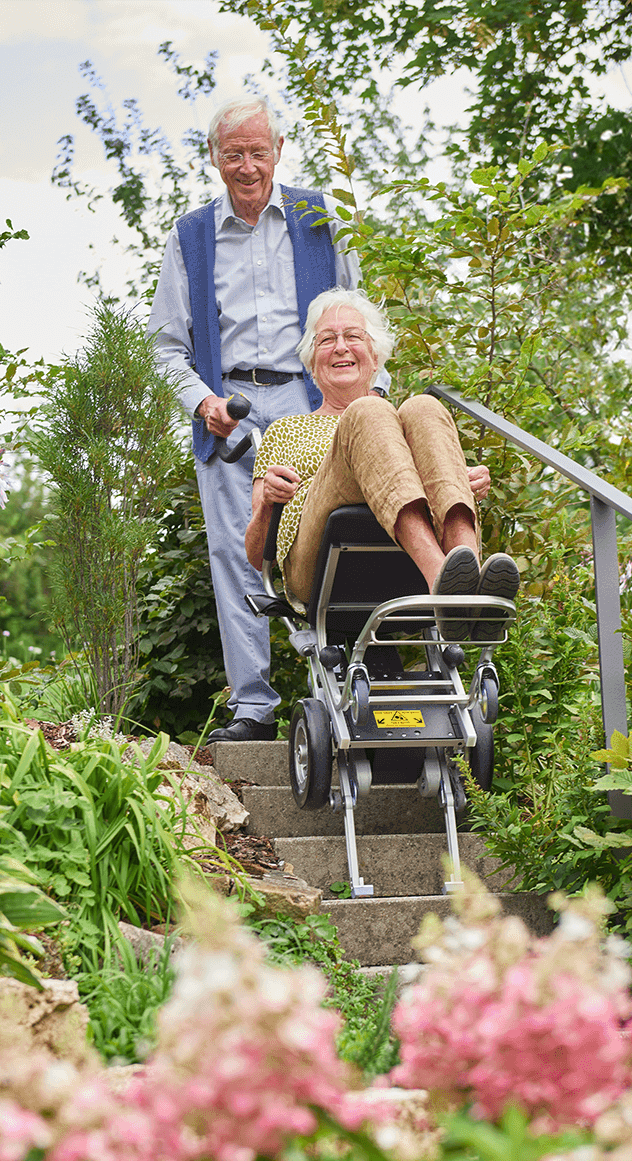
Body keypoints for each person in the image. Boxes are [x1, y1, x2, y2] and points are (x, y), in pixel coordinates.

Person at [148, 96, 384, 744]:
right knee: (235, 551)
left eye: (258, 151)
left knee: (339, 536)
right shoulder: (189, 236)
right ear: (214, 160)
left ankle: (354, 693)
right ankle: (252, 706)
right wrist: (203, 403)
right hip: (230, 412)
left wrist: (372, 399)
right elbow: (167, 345)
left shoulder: (317, 216)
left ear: (279, 151)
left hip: (315, 405)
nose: (247, 166)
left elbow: (360, 315)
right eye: (234, 154)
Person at [246, 288, 520, 639]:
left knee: (424, 406)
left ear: (375, 357)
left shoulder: (399, 425)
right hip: (316, 562)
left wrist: (456, 479)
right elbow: (257, 558)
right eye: (327, 339)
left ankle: (469, 583)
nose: (341, 347)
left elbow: (425, 471)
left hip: (402, 560)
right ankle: (444, 584)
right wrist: (269, 502)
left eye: (353, 336)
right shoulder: (286, 430)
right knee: (370, 410)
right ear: (312, 363)